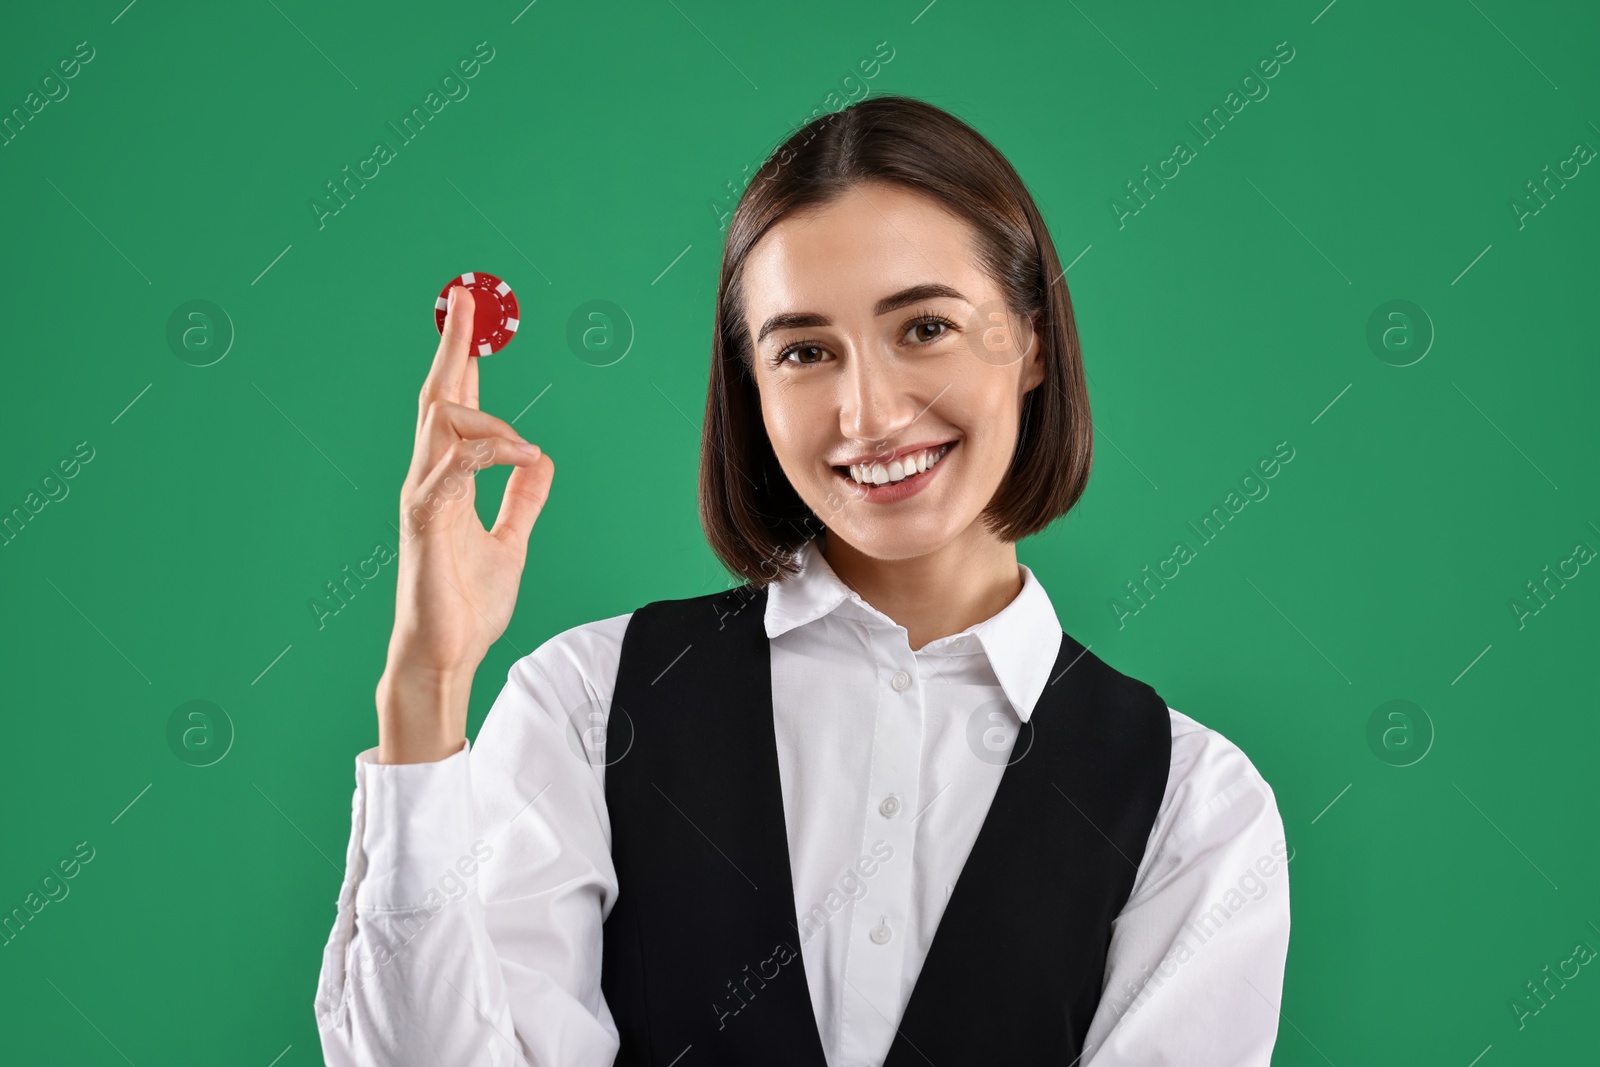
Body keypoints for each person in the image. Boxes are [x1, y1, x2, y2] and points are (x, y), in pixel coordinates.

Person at [313, 94, 1290, 1066]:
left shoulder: (1196, 806)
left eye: (924, 329)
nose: (867, 413)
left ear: (1029, 340)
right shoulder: (584, 703)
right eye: (805, 351)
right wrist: (424, 690)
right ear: (751, 386)